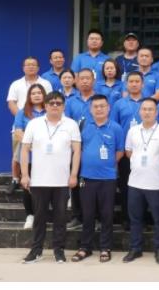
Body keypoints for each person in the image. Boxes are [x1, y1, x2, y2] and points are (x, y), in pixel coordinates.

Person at [19, 91, 81, 264]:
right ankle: (36, 251)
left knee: (60, 218)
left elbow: (77, 151)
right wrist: (25, 174)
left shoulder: (71, 125)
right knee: (39, 218)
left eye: (58, 103)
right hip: (39, 180)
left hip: (62, 181)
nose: (55, 106)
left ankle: (58, 251)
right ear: (45, 105)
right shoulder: (34, 124)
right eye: (51, 103)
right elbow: (24, 150)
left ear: (63, 106)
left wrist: (73, 174)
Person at [71, 95, 124, 263]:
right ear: (91, 109)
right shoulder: (83, 126)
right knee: (87, 214)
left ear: (108, 108)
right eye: (96, 106)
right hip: (86, 177)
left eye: (102, 106)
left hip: (108, 178)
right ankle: (85, 247)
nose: (99, 109)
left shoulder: (116, 128)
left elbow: (120, 151)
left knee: (106, 214)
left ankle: (105, 247)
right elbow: (78, 149)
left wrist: (107, 164)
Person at [123, 98, 159, 265]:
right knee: (135, 218)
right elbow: (129, 152)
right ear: (139, 111)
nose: (147, 112)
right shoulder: (133, 131)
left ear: (156, 112)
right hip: (135, 182)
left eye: (150, 109)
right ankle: (135, 248)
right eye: (144, 109)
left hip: (156, 184)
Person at [6, 57, 52, 194]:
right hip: (21, 127)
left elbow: (50, 100)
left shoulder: (45, 83)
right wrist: (24, 116)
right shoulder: (16, 84)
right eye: (28, 65)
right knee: (17, 156)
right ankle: (15, 179)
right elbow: (11, 103)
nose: (31, 67)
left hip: (43, 130)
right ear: (23, 68)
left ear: (38, 68)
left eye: (33, 65)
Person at [110, 71, 146, 231]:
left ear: (142, 84)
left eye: (137, 81)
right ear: (126, 84)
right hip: (126, 153)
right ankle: (127, 219)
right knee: (126, 188)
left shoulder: (149, 103)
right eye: (131, 81)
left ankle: (142, 219)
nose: (134, 84)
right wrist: (119, 150)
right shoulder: (119, 104)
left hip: (145, 153)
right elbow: (114, 128)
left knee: (144, 187)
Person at [64, 68, 97, 230]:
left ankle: (95, 217)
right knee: (75, 182)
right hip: (74, 147)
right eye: (81, 78)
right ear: (76, 81)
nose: (84, 81)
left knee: (94, 184)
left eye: (87, 78)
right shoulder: (70, 101)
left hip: (94, 146)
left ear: (93, 81)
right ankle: (77, 216)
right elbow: (66, 123)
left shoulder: (99, 99)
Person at [10, 84, 47, 228]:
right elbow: (18, 132)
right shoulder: (23, 112)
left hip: (47, 156)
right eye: (33, 93)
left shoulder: (49, 110)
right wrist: (32, 146)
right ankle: (30, 215)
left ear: (44, 95)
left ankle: (42, 214)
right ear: (29, 96)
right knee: (28, 186)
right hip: (29, 156)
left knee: (45, 187)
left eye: (39, 93)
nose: (36, 95)